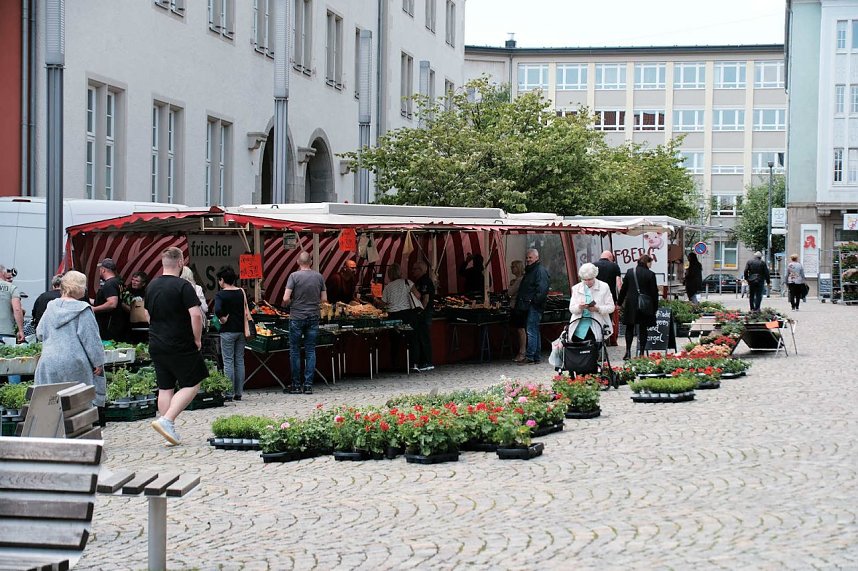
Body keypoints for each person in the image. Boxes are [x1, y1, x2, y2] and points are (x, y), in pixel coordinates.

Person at [148, 247, 209, 446]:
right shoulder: (184, 286)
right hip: (180, 342)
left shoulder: (151, 286)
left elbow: (148, 314)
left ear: (162, 262)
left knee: (165, 388)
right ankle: (167, 421)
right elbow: (196, 315)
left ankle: (168, 431)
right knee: (193, 382)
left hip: (156, 342)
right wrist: (197, 339)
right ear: (181, 263)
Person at [35, 271, 106, 417]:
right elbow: (91, 340)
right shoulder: (83, 310)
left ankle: (54, 433)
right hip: (75, 362)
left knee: (50, 406)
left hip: (48, 362)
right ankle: (75, 436)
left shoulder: (51, 307)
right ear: (80, 288)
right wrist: (98, 363)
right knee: (78, 407)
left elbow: (40, 332)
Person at [282, 252, 327, 395]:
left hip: (296, 316)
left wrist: (293, 303)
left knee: (295, 350)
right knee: (310, 350)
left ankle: (296, 385)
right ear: (311, 262)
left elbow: (286, 298)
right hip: (313, 316)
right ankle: (308, 385)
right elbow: (324, 299)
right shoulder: (319, 277)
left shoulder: (293, 276)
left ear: (297, 261)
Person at [377, 263, 420, 370]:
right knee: (412, 339)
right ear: (400, 272)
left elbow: (383, 304)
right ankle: (413, 364)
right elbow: (418, 295)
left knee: (394, 341)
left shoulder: (388, 287)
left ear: (389, 275)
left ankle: (394, 364)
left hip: (393, 316)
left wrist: (375, 300)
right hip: (407, 315)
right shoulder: (408, 282)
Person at [214, 266, 248, 401]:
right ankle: (239, 392)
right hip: (240, 330)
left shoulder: (221, 294)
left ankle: (228, 393)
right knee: (239, 360)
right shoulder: (241, 292)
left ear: (222, 280)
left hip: (227, 331)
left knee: (228, 361)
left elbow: (217, 309)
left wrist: (222, 317)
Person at [617, 254, 659, 360]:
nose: (651, 265)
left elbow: (623, 289)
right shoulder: (650, 274)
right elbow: (654, 293)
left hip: (631, 304)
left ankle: (627, 352)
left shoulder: (630, 272)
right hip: (644, 305)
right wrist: (655, 308)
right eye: (651, 263)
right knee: (643, 329)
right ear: (647, 262)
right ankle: (641, 353)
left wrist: (619, 303)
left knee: (629, 328)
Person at [514, 248, 550, 365]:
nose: (528, 259)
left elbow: (542, 289)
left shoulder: (539, 271)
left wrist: (534, 302)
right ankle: (536, 356)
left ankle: (530, 356)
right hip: (530, 304)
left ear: (536, 258)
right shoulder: (532, 270)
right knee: (534, 330)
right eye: (527, 257)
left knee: (531, 330)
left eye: (530, 257)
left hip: (533, 305)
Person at [568, 263, 615, 342]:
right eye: (584, 279)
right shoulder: (576, 288)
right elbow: (572, 309)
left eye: (589, 279)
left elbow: (611, 307)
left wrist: (598, 308)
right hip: (579, 326)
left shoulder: (604, 287)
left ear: (594, 276)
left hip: (597, 324)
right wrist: (579, 307)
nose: (587, 282)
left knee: (594, 350)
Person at [91, 258, 128, 341]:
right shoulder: (118, 282)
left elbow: (112, 303)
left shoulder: (109, 284)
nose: (99, 271)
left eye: (100, 269)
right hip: (119, 323)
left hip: (109, 325)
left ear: (103, 270)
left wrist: (93, 309)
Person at [410, 260, 435, 372]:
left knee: (424, 337)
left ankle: (427, 362)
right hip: (422, 313)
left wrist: (421, 311)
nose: (413, 271)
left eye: (415, 269)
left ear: (421, 270)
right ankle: (423, 361)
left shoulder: (425, 281)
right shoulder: (420, 280)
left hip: (424, 314)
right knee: (421, 337)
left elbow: (426, 298)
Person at [593, 251, 622, 346]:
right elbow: (618, 284)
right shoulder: (614, 266)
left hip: (595, 297)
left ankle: (597, 339)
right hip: (610, 297)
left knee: (595, 317)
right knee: (608, 319)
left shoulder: (593, 265)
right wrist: (620, 298)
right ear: (610, 257)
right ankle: (607, 340)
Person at [508, 260, 527, 362]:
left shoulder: (519, 280)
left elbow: (510, 292)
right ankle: (521, 350)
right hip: (517, 306)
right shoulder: (519, 279)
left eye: (513, 266)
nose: (511, 268)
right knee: (519, 329)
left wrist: (511, 286)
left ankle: (522, 352)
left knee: (520, 329)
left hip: (517, 306)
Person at [0, 264, 25, 344]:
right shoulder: (11, 288)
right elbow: (17, 309)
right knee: (6, 356)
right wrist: (21, 330)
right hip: (6, 332)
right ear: (3, 274)